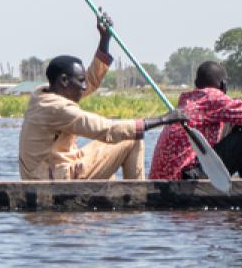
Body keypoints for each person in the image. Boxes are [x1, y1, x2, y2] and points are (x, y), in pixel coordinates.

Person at [18, 15, 182, 180]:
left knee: (115, 160)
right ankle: (137, 197)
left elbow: (90, 81)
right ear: (64, 81)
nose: (84, 87)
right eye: (80, 82)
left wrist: (104, 40)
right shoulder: (57, 108)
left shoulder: (43, 93)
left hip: (55, 168)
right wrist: (164, 119)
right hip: (49, 177)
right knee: (132, 137)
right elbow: (107, 129)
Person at [149, 60, 242, 180]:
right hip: (187, 177)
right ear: (223, 85)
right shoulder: (212, 98)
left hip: (170, 178)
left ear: (196, 84)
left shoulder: (189, 101)